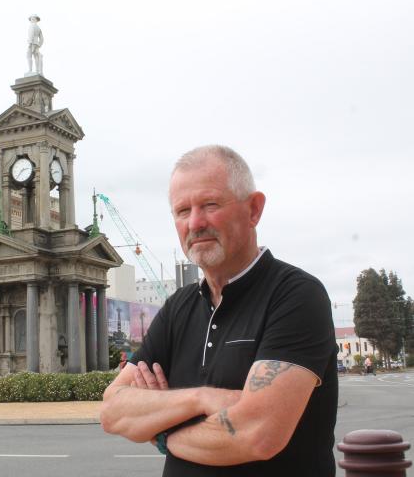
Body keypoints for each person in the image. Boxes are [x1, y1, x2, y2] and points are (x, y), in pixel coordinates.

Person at [100, 145, 338, 476]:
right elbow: (113, 410)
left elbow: (257, 435)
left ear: (254, 209)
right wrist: (201, 399)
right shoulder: (177, 307)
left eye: (210, 205)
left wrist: (162, 430)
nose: (195, 223)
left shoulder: (296, 296)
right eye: (182, 211)